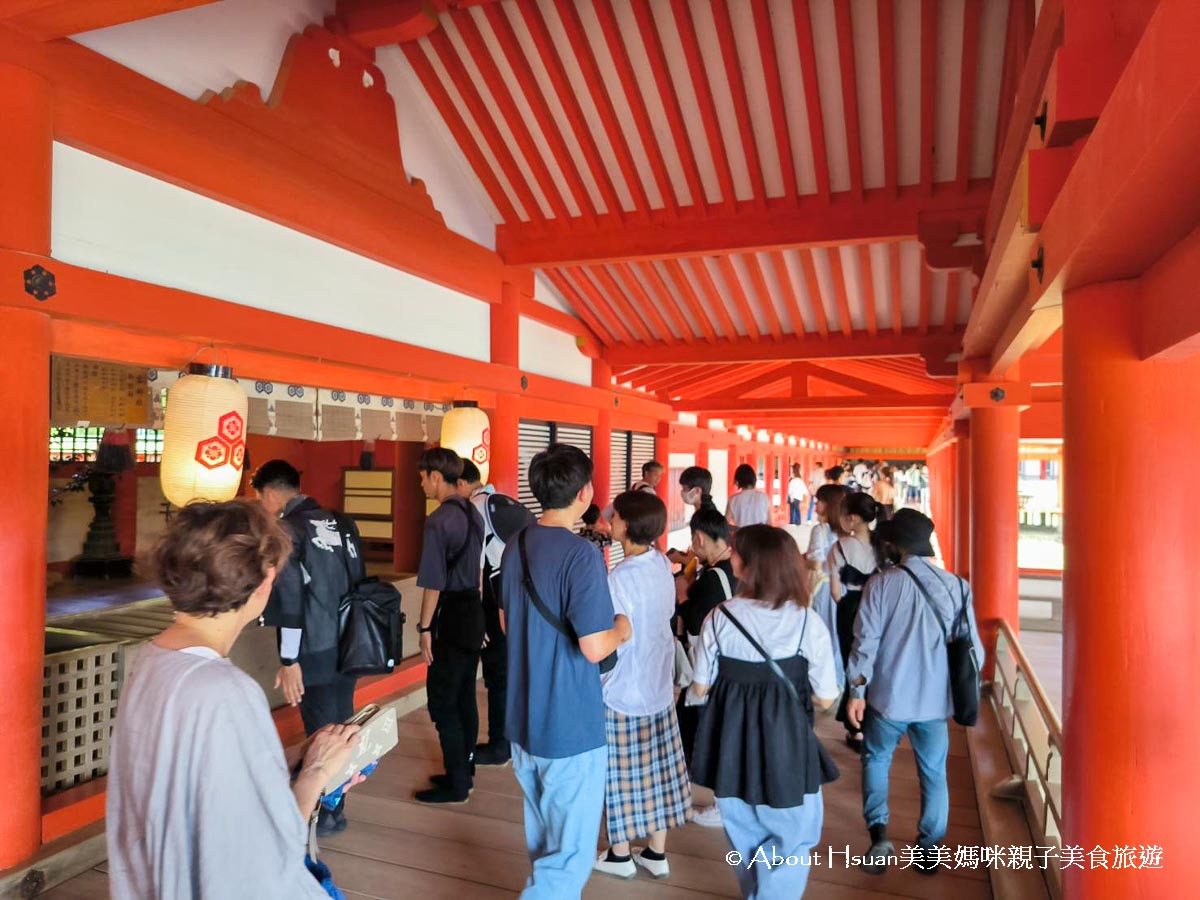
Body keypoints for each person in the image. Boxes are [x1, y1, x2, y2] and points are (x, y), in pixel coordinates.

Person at [107, 500, 362, 899]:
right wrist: (316, 778)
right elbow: (257, 866)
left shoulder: (152, 658)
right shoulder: (225, 691)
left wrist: (298, 760)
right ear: (266, 581)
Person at [500, 443, 632, 898]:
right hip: (569, 723)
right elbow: (594, 646)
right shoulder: (581, 555)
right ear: (585, 492)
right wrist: (623, 627)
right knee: (570, 856)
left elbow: (505, 620)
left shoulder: (513, 545)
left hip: (523, 718)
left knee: (544, 844)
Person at [688, 525, 840, 899]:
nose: (731, 557)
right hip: (787, 748)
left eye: (736, 552)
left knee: (744, 834)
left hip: (731, 746)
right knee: (795, 838)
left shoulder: (720, 616)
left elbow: (701, 687)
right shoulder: (807, 621)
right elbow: (825, 698)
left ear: (749, 565)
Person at [846, 509, 984, 875]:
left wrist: (856, 691)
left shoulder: (881, 584)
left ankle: (879, 840)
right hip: (935, 704)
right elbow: (976, 653)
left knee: (876, 760)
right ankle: (928, 850)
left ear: (893, 545)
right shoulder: (957, 586)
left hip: (886, 700)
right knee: (934, 772)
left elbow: (865, 645)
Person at [253, 459, 365, 836]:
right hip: (351, 641)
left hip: (314, 646)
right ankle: (336, 805)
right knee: (341, 723)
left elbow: (289, 599)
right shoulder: (343, 522)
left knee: (320, 730)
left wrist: (289, 659)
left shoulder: (287, 529)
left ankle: (322, 813)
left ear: (269, 493)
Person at [594, 490, 691, 880]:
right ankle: (656, 851)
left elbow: (615, 634)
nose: (610, 520)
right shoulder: (661, 565)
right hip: (658, 682)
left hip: (624, 687)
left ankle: (620, 856)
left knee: (619, 773)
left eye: (615, 516)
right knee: (658, 769)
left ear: (627, 527)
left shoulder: (619, 577)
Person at [415, 448, 485, 804]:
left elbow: (433, 582)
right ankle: (463, 770)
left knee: (443, 701)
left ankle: (457, 784)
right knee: (463, 698)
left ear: (436, 476)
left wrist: (424, 629)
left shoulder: (440, 520)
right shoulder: (473, 513)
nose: (421, 483)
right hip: (473, 610)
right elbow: (479, 571)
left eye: (423, 477)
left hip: (451, 615)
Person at [673, 503, 738, 829]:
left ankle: (721, 801)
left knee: (702, 729)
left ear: (700, 537)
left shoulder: (714, 577)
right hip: (725, 665)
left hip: (708, 669)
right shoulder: (730, 568)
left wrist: (683, 593)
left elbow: (697, 623)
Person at [457, 460, 511, 767]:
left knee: (497, 673)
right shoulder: (500, 501)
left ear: (462, 483)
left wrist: (476, 614)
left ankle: (499, 744)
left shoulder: (474, 509)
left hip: (495, 599)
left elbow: (476, 567)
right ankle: (511, 739)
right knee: (509, 671)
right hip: (517, 594)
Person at [828, 491, 880, 751]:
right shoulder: (883, 545)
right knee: (876, 659)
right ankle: (876, 719)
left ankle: (855, 727)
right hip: (879, 606)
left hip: (850, 607)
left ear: (852, 518)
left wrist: (848, 606)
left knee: (852, 659)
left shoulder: (840, 547)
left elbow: (835, 592)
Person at [807, 483, 849, 690]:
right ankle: (840, 680)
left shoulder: (820, 530)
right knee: (841, 632)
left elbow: (815, 563)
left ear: (828, 504)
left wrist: (802, 559)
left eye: (819, 502)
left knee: (823, 633)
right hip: (846, 587)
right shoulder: (847, 532)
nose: (816, 506)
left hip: (824, 588)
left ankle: (824, 683)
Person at [727, 463, 771, 528]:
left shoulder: (733, 500)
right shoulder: (764, 497)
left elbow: (725, 525)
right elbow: (769, 523)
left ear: (738, 481)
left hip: (742, 536)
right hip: (761, 536)